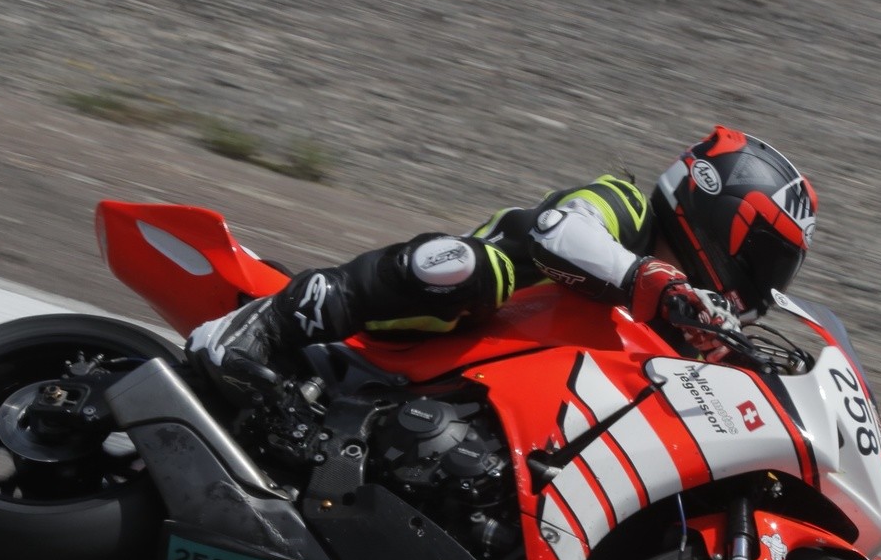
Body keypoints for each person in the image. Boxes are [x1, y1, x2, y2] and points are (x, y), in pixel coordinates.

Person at [188, 125, 818, 396]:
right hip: (436, 331)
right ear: (717, 210)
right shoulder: (626, 208)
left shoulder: (685, 328)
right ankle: (265, 324)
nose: (763, 280)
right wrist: (644, 276)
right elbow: (559, 230)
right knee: (463, 267)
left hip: (503, 400)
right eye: (764, 257)